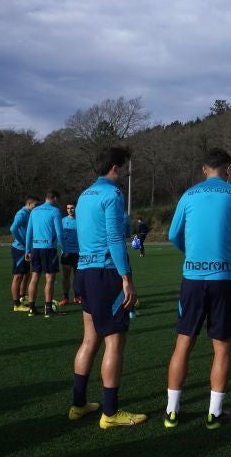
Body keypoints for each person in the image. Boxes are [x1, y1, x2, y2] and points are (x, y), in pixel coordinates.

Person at [165, 148, 231, 430]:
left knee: (183, 342)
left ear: (204, 170)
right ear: (228, 169)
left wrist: (190, 254)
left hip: (192, 279)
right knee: (221, 346)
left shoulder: (188, 195)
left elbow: (173, 235)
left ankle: (172, 411)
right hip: (224, 279)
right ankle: (214, 413)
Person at [69, 146, 146, 429]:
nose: (126, 172)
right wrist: (127, 279)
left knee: (89, 339)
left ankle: (78, 405)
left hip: (85, 273)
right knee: (114, 341)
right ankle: (110, 413)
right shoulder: (112, 194)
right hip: (105, 274)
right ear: (115, 167)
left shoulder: (84, 195)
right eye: (125, 166)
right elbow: (115, 239)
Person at [25, 190, 64, 317]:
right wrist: (64, 249)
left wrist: (27, 250)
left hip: (36, 248)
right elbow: (59, 233)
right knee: (50, 279)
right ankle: (48, 309)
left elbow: (29, 232)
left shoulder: (34, 211)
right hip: (49, 249)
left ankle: (31, 308)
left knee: (34, 278)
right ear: (54, 198)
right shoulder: (55, 211)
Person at [10, 196, 38, 311]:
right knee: (18, 276)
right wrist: (21, 241)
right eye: (35, 205)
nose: (36, 207)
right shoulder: (21, 214)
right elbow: (13, 228)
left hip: (26, 249)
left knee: (26, 274)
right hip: (19, 249)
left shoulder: (29, 213)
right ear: (29, 203)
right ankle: (16, 304)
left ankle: (22, 298)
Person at [60, 203, 79, 306]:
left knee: (78, 276)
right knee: (66, 275)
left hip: (78, 253)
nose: (70, 210)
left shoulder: (80, 221)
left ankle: (77, 296)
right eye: (68, 208)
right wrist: (64, 249)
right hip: (66, 253)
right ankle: (65, 297)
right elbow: (59, 236)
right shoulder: (62, 221)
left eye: (72, 208)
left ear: (75, 208)